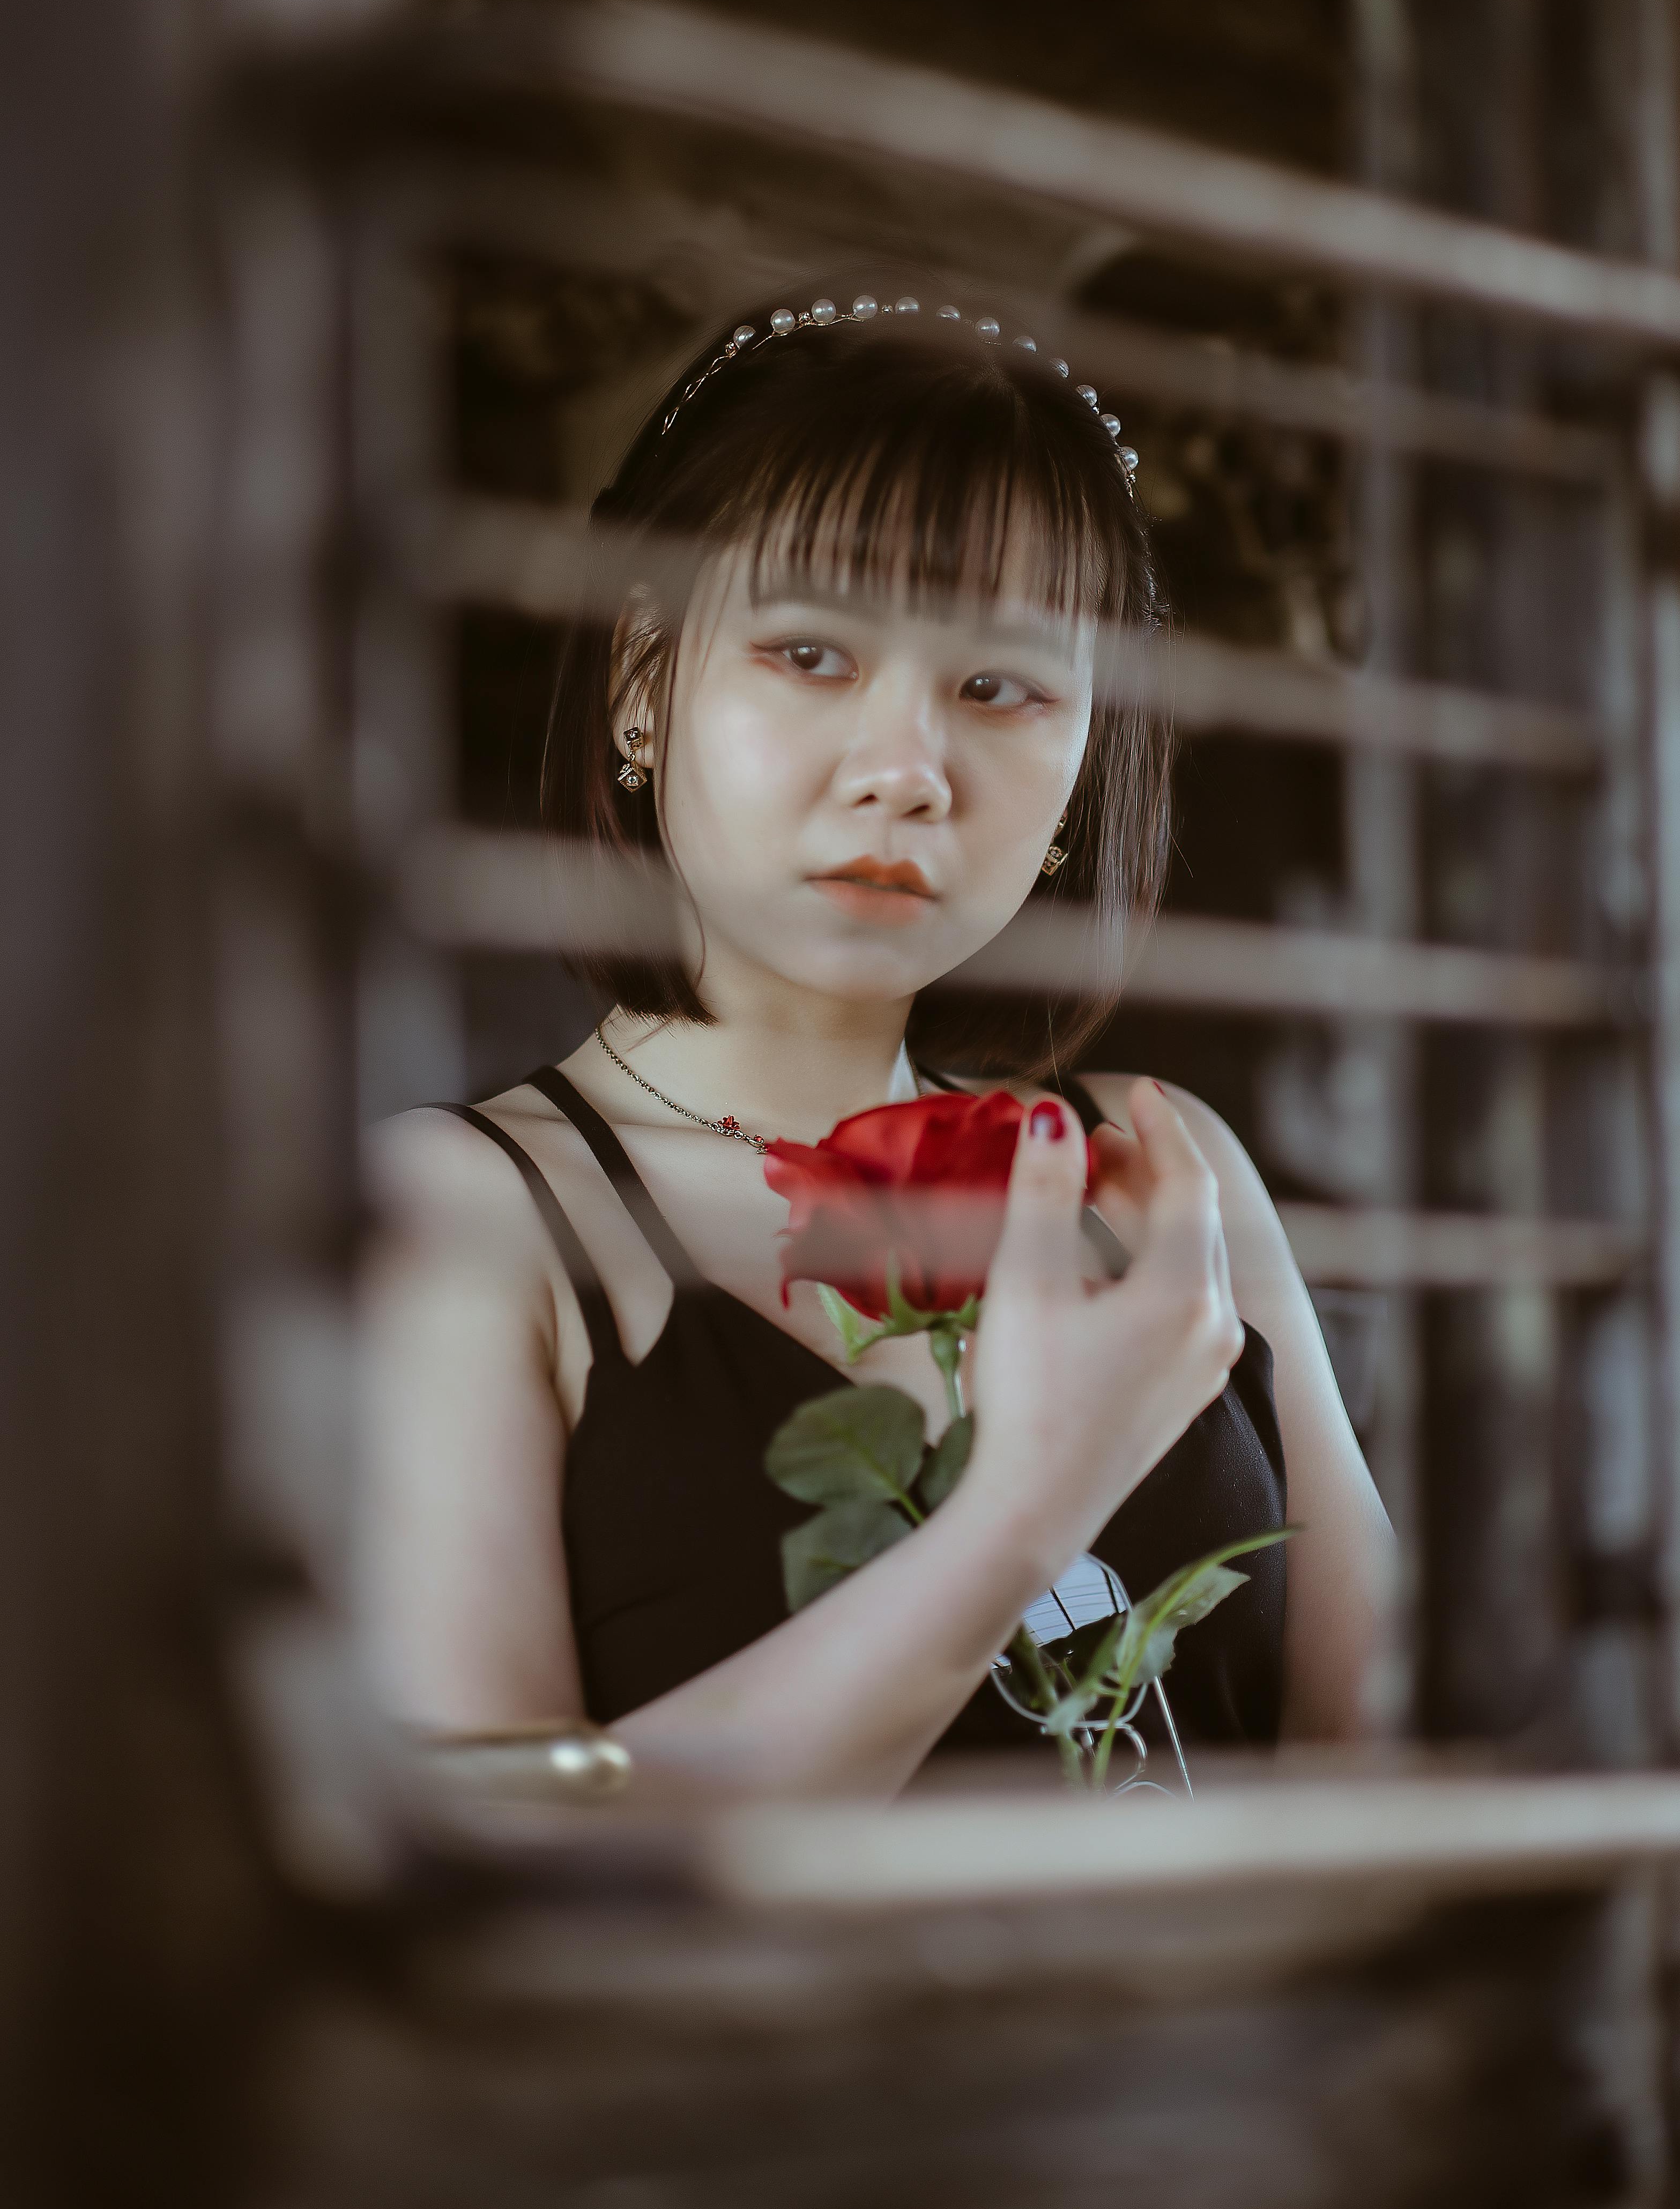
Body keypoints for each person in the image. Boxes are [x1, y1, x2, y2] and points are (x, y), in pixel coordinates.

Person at [362, 288, 1394, 1798]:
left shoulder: (1167, 1178)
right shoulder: (465, 1220)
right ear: (644, 680)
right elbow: (493, 1899)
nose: (908, 772)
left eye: (1000, 688)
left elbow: (1397, 1780)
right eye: (811, 654)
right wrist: (1029, 1508)